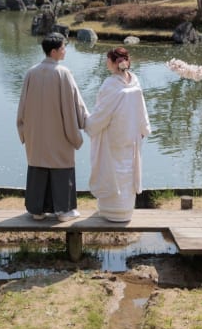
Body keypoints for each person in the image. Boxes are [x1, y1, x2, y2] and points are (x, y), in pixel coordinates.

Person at [16, 32, 89, 222]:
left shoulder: (31, 72)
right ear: (55, 51)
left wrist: (24, 129)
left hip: (36, 133)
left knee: (38, 166)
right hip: (59, 131)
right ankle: (63, 210)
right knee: (60, 166)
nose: (65, 51)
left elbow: (22, 106)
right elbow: (76, 103)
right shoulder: (63, 73)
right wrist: (88, 122)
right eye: (64, 47)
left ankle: (37, 210)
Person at [85, 46, 151, 223]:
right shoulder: (134, 80)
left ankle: (111, 211)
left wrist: (88, 124)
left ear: (114, 63)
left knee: (112, 169)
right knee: (128, 170)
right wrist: (143, 129)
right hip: (131, 134)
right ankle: (125, 210)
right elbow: (141, 109)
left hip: (113, 135)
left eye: (108, 60)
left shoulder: (110, 84)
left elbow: (101, 113)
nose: (106, 63)